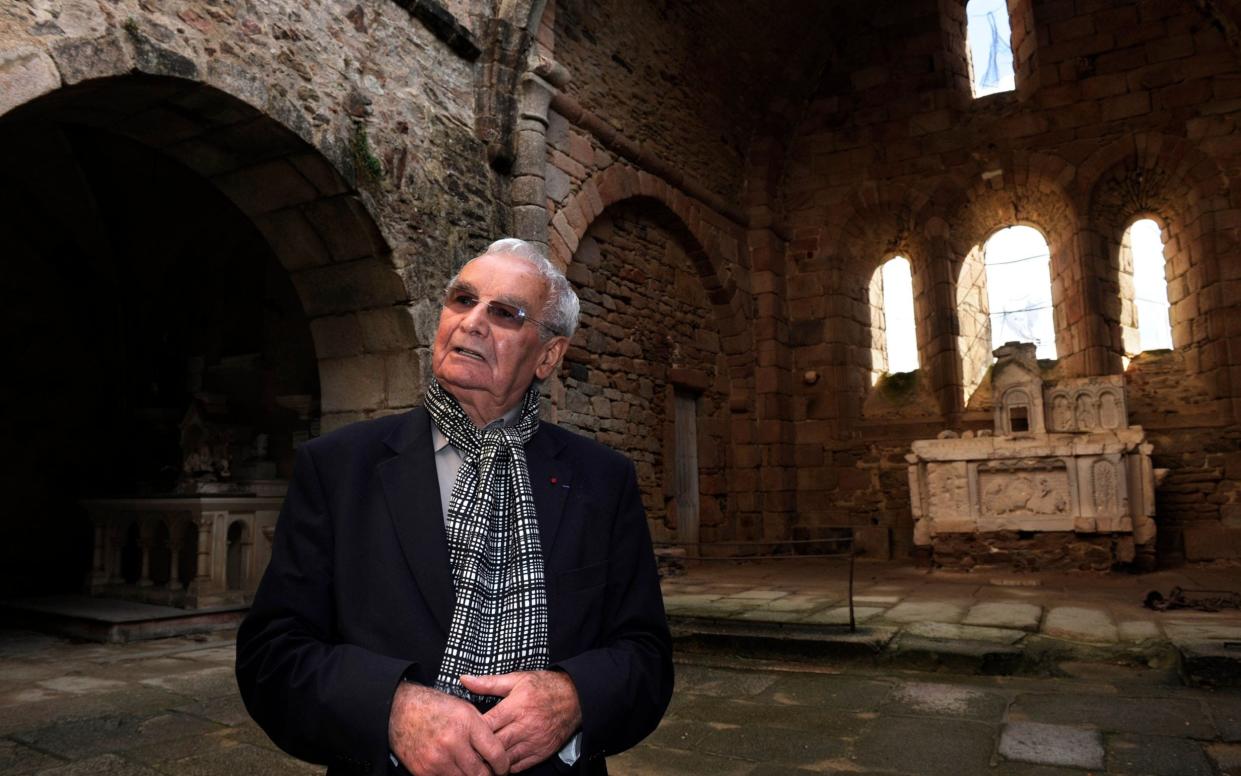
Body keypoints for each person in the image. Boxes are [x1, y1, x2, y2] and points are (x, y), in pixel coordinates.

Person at [236, 238, 674, 776]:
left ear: (548, 356)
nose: (472, 322)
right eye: (462, 300)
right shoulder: (339, 467)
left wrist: (574, 696)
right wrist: (391, 710)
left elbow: (646, 655)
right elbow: (271, 656)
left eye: (505, 313)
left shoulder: (601, 481)